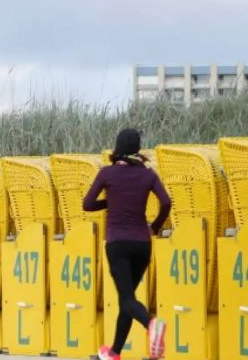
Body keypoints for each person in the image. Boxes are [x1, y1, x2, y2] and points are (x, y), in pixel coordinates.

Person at [83, 128, 172, 360]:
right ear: (137, 149)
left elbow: (87, 204)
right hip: (142, 244)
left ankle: (152, 324)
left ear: (117, 147)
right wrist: (154, 227)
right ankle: (114, 352)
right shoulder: (148, 175)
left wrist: (110, 202)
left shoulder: (107, 173)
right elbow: (166, 202)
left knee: (126, 298)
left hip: (118, 244)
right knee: (128, 298)